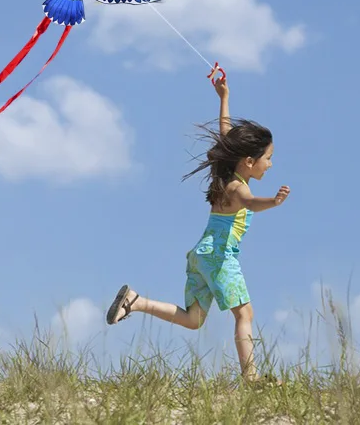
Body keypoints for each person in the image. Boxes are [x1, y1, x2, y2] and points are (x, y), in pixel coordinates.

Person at [105, 71, 291, 384]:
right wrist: (273, 201)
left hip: (200, 255)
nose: (270, 164)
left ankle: (136, 301)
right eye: (268, 158)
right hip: (218, 257)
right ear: (248, 161)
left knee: (194, 320)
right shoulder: (236, 189)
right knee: (244, 315)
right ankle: (252, 379)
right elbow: (250, 202)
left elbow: (225, 135)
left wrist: (224, 98)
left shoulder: (227, 174)